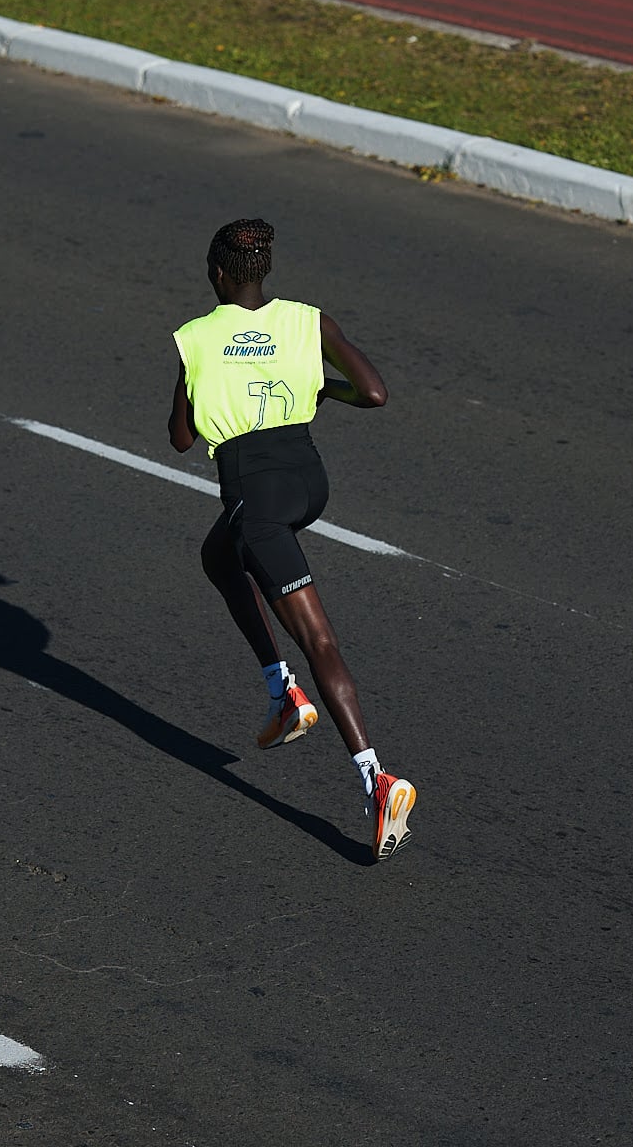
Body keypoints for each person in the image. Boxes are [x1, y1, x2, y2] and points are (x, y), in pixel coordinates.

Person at [168, 218, 417, 861]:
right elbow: (376, 393)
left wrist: (207, 385)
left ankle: (375, 779)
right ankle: (284, 696)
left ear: (219, 274)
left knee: (318, 637)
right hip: (308, 482)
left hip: (257, 496)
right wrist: (320, 392)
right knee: (218, 555)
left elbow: (181, 437)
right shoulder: (310, 320)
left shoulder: (196, 338)